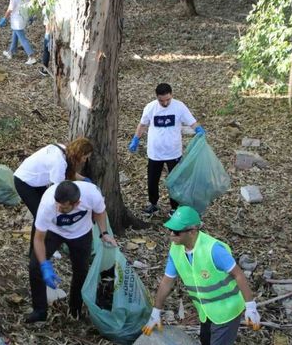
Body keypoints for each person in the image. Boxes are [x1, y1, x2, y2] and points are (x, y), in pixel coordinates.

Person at [142, 206, 261, 344]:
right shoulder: (175, 249)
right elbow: (167, 281)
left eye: (176, 231)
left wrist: (250, 307)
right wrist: (156, 312)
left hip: (227, 311)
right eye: (170, 230)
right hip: (206, 312)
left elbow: (238, 274)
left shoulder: (213, 250)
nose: (171, 234)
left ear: (192, 232)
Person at [26, 180, 117, 323]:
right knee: (35, 266)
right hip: (54, 231)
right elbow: (38, 239)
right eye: (57, 204)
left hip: (81, 233)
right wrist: (44, 264)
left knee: (81, 271)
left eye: (63, 207)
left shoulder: (92, 194)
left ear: (76, 203)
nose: (58, 208)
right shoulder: (48, 204)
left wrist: (104, 233)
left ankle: (75, 309)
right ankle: (39, 310)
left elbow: (100, 212)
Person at [128, 83, 204, 216]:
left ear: (171, 95)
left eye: (167, 99)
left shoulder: (179, 107)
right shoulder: (150, 107)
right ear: (157, 97)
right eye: (161, 100)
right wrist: (136, 138)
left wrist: (198, 129)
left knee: (175, 181)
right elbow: (142, 125)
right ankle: (153, 204)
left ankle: (174, 207)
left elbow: (191, 122)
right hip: (155, 152)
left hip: (173, 151)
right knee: (152, 180)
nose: (165, 103)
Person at [13, 137, 93, 252]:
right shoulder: (59, 162)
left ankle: (46, 244)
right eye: (85, 157)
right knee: (41, 215)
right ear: (79, 154)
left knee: (48, 214)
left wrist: (85, 179)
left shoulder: (65, 151)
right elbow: (58, 191)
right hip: (24, 181)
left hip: (36, 181)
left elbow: (68, 172)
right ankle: (35, 250)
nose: (85, 161)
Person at [0, 0, 37, 65]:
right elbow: (30, 5)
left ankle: (31, 56)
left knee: (22, 38)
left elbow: (10, 9)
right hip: (24, 17)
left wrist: (4, 18)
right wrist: (31, 16)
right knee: (15, 34)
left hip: (17, 20)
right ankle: (11, 52)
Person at [38, 0, 55, 77]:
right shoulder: (53, 5)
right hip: (50, 31)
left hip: (50, 32)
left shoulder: (48, 8)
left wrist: (48, 34)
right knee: (47, 50)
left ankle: (44, 68)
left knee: (46, 50)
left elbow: (49, 22)